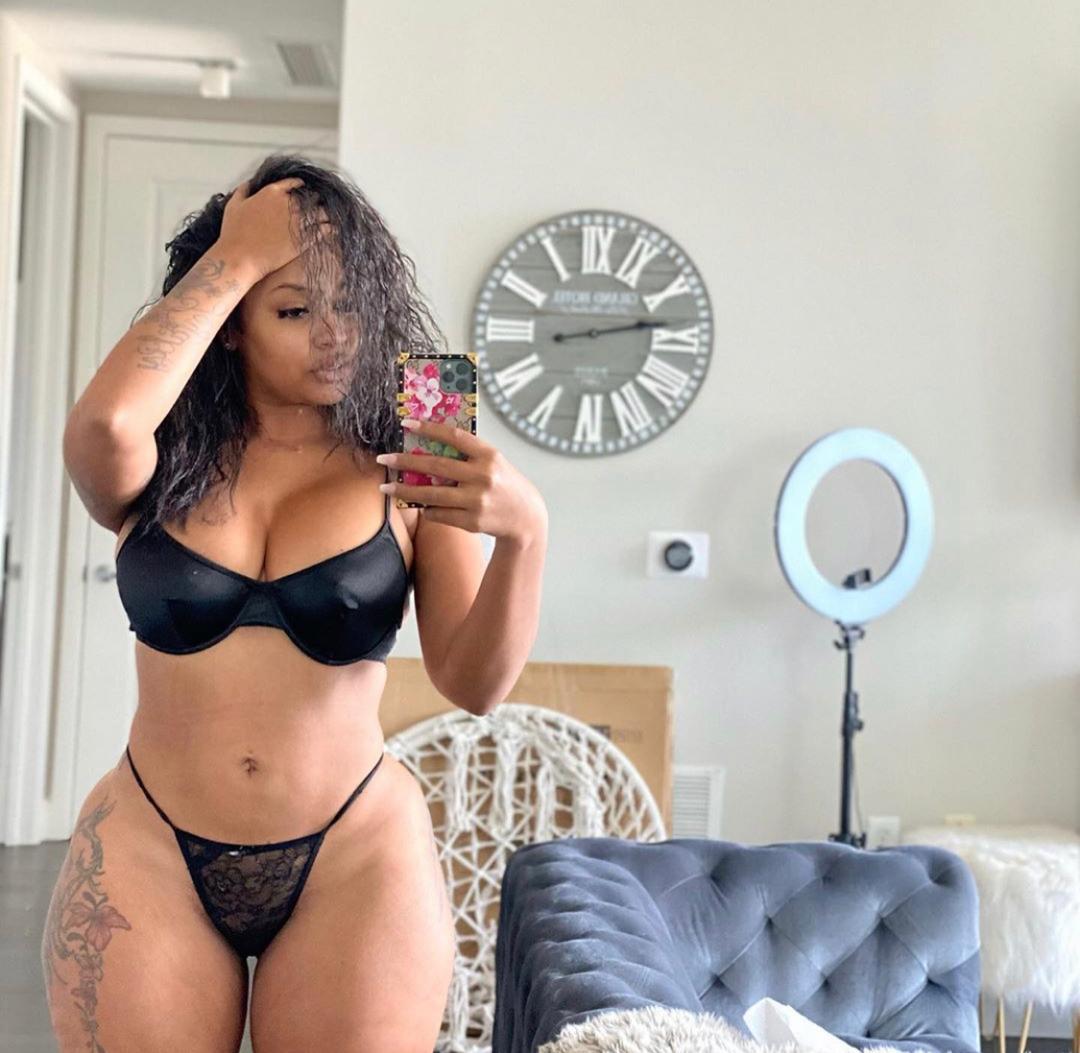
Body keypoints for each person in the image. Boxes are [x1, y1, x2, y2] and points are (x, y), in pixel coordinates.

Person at [40, 153, 548, 1052]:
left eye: (352, 304)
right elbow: (103, 428)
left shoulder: (424, 424)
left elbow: (473, 683)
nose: (336, 336)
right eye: (294, 309)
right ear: (232, 323)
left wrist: (526, 536)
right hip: (151, 846)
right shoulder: (161, 451)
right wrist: (237, 255)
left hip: (353, 855)